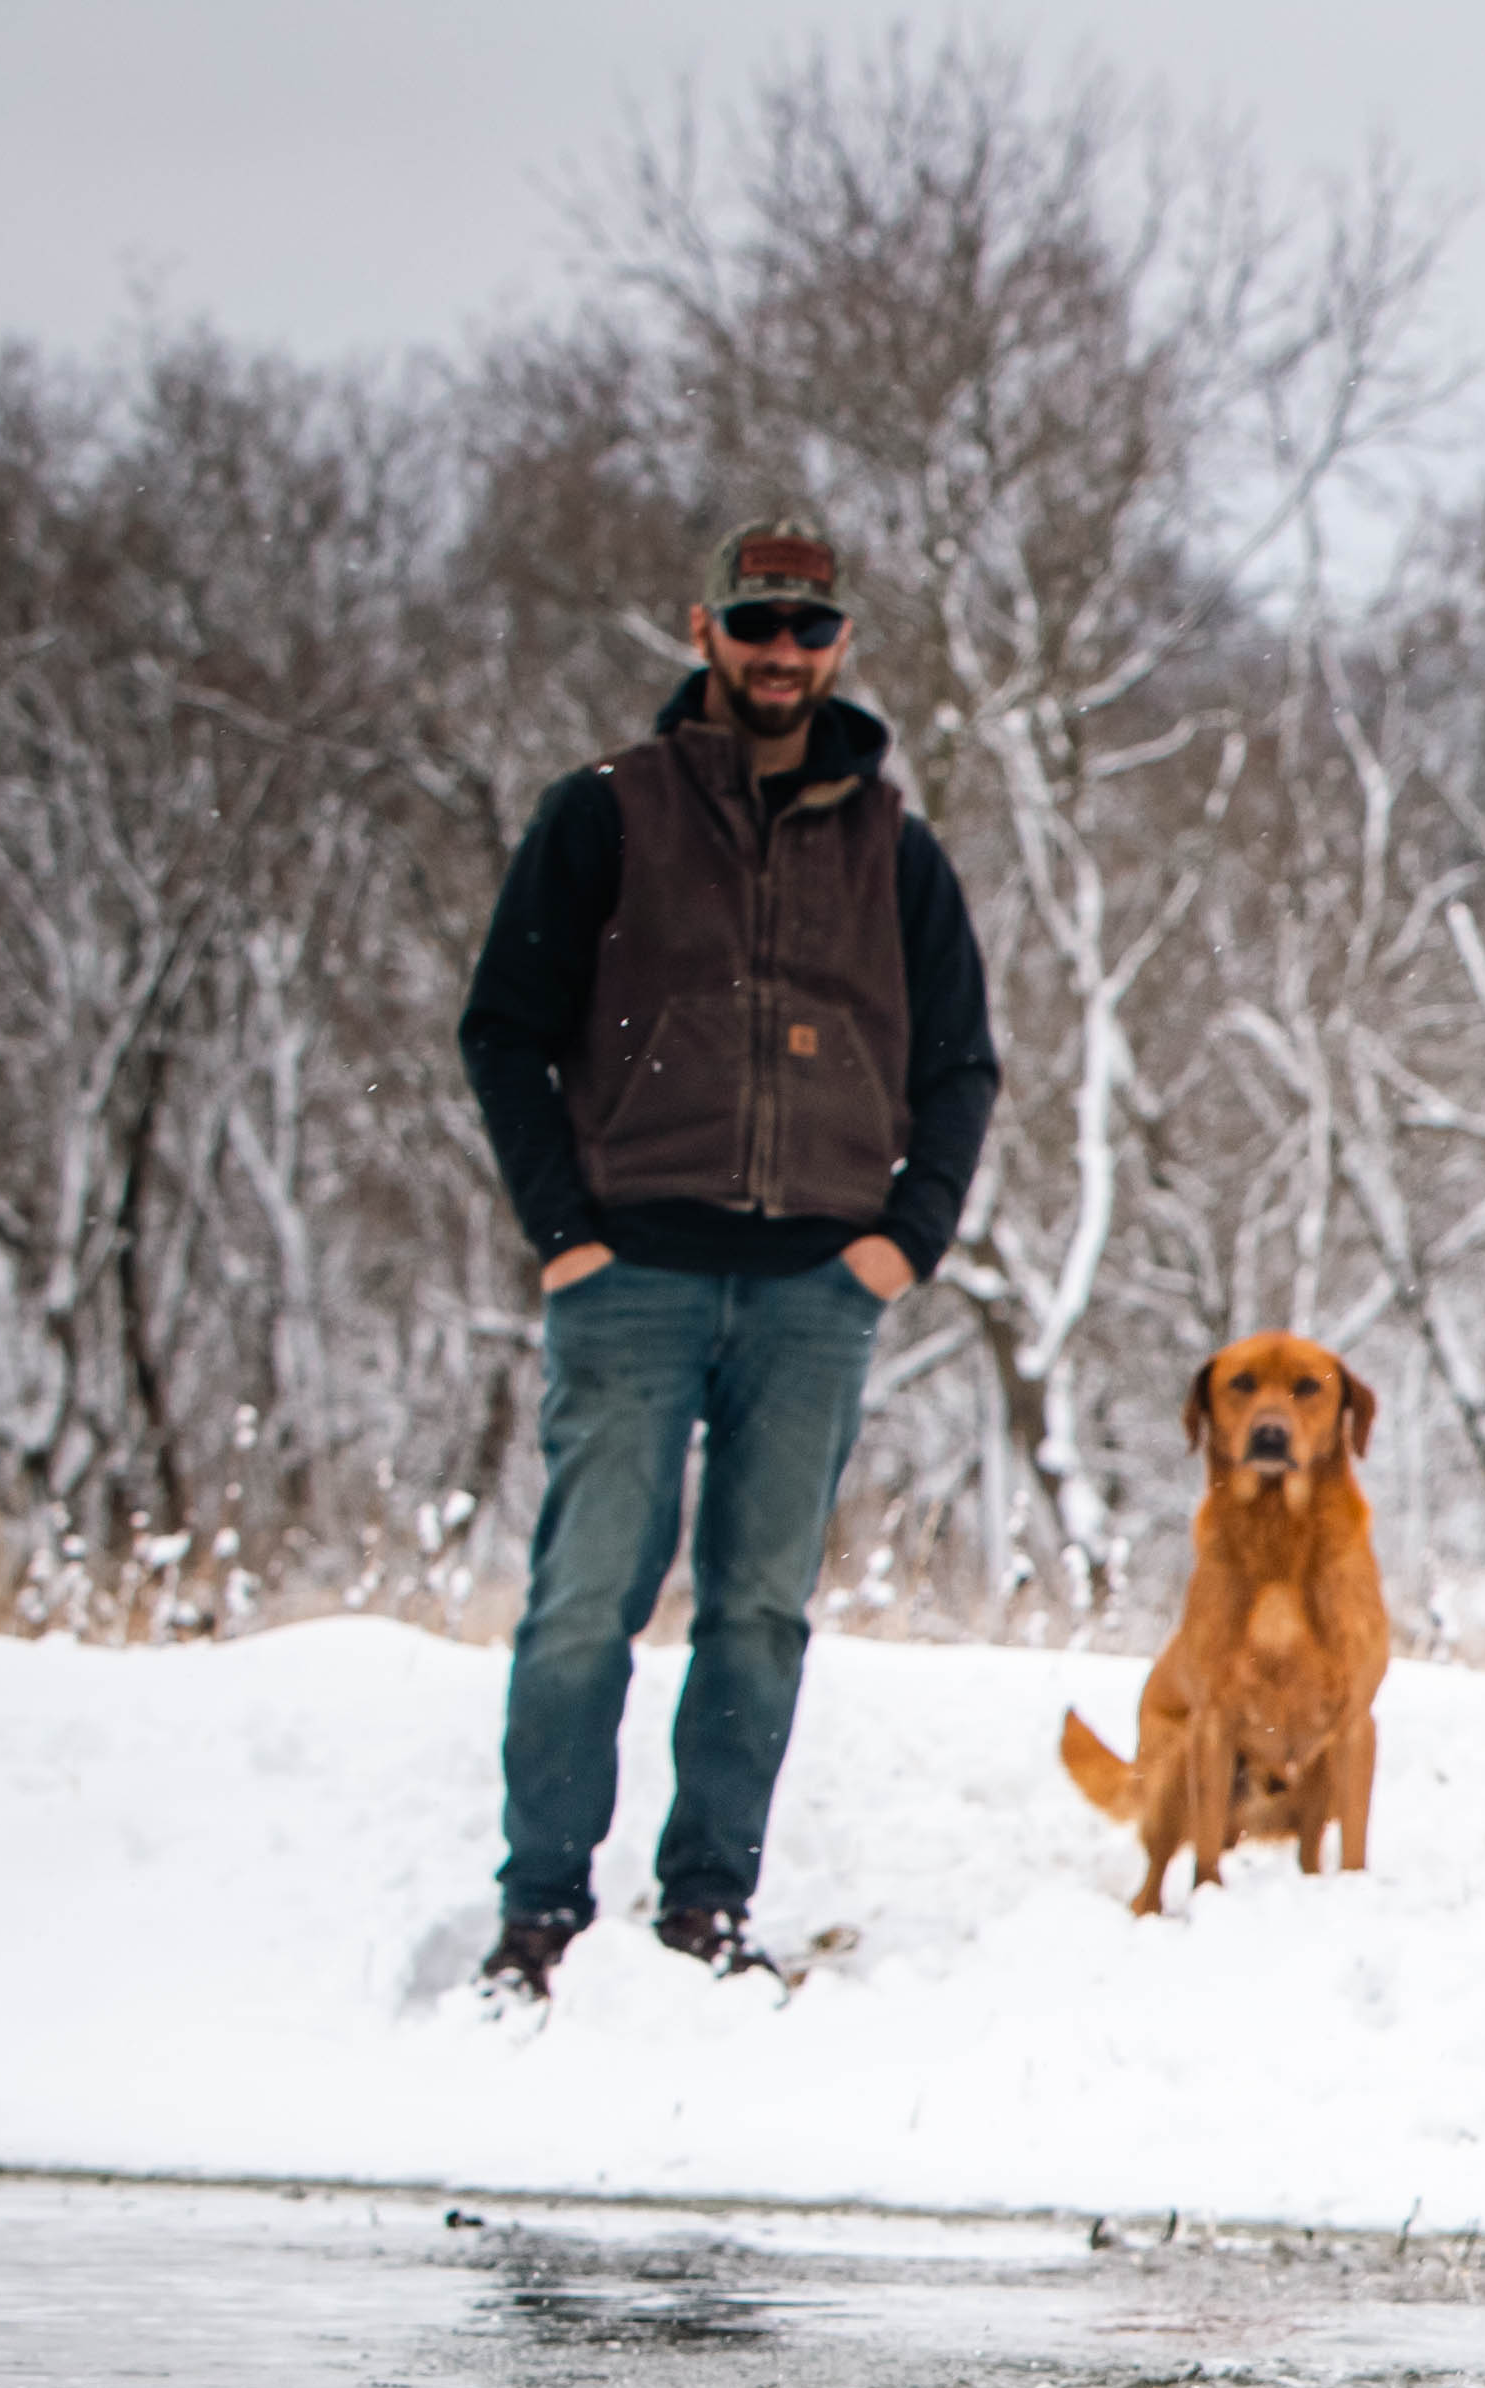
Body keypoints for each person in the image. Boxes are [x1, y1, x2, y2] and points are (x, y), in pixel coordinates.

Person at [456, 515, 999, 1999]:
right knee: (585, 1605)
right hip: (629, 1274)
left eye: (807, 628)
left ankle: (706, 1911)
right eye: (755, 622)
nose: (780, 651)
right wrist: (567, 1235)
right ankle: (542, 1914)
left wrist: (904, 1242)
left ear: (840, 645)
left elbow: (961, 1066)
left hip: (819, 1290)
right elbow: (501, 1028)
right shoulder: (608, 814)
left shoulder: (896, 849)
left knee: (759, 1614)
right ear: (702, 629)